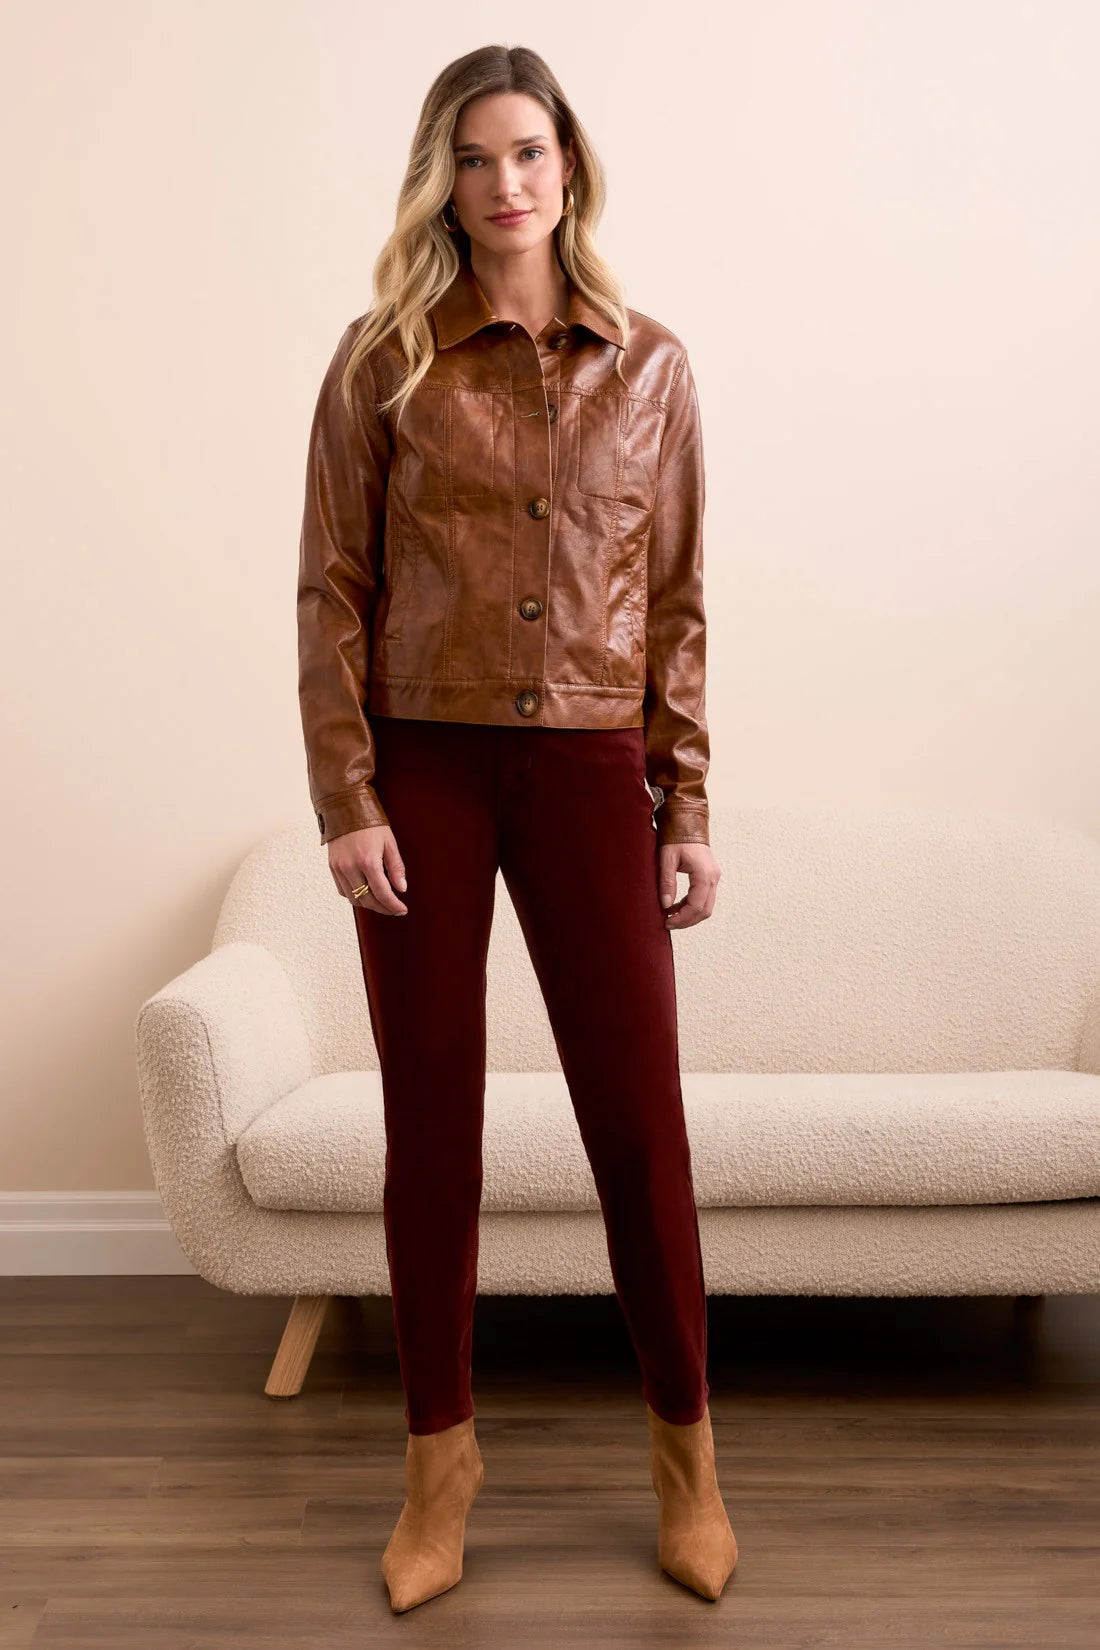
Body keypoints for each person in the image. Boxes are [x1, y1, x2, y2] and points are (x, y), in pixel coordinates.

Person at [296, 43, 738, 1613]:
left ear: (572, 168)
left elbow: (676, 607)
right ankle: (440, 1466)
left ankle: (687, 1461)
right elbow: (332, 590)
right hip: (423, 766)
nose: (506, 184)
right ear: (444, 177)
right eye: (476, 157)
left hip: (587, 768)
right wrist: (347, 796)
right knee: (433, 1127)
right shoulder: (383, 362)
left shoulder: (655, 367)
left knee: (639, 1122)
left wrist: (684, 799)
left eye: (530, 153)